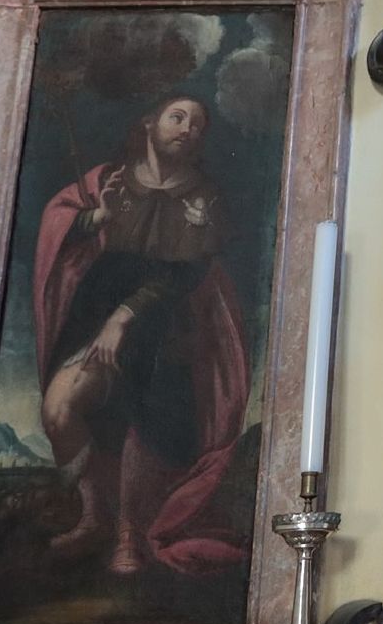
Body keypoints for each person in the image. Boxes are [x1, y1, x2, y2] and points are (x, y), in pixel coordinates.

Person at [32, 95, 251, 576]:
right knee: (59, 409)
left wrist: (123, 318)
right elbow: (62, 223)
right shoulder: (110, 180)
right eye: (178, 117)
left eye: (198, 124)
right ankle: (94, 516)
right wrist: (93, 220)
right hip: (96, 311)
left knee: (141, 419)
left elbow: (186, 272)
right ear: (150, 122)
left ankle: (128, 532)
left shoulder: (206, 197)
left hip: (167, 324)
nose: (187, 129)